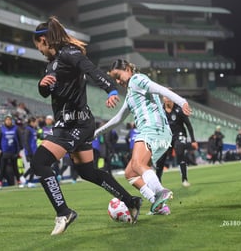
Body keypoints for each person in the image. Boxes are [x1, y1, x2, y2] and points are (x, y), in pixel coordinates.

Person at [31, 16, 142, 235]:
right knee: (88, 172)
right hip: (71, 124)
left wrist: (110, 89)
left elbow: (91, 70)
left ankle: (63, 212)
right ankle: (131, 201)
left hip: (76, 123)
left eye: (37, 44)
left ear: (43, 40)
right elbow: (47, 92)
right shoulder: (51, 65)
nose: (38, 49)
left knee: (40, 163)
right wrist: (41, 86)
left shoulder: (69, 54)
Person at [95, 59, 192, 216]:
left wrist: (182, 102)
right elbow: (118, 119)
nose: (118, 81)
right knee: (130, 173)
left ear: (127, 69)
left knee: (138, 163)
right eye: (115, 80)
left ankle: (160, 191)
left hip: (152, 129)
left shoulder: (137, 80)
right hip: (157, 133)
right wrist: (96, 133)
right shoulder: (131, 93)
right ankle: (158, 205)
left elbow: (161, 89)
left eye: (119, 76)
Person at [156, 94, 198, 187]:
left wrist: (193, 140)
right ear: (163, 99)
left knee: (180, 151)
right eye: (165, 97)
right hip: (166, 137)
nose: (167, 99)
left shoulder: (179, 110)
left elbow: (188, 125)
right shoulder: (160, 110)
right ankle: (157, 182)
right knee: (161, 158)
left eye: (169, 97)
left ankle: (184, 179)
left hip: (179, 135)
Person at [0, 114, 22, 189]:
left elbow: (19, 140)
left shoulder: (16, 128)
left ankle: (19, 181)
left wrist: (19, 150)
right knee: (2, 168)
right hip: (4, 151)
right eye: (7, 120)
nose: (8, 121)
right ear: (4, 121)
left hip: (13, 151)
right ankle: (0, 182)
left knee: (15, 167)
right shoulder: (1, 129)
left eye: (9, 120)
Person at [20, 117, 38, 188]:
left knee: (34, 166)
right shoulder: (28, 130)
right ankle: (25, 178)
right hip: (30, 151)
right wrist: (29, 151)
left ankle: (27, 180)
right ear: (31, 122)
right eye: (35, 122)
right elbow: (26, 141)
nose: (36, 123)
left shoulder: (33, 129)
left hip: (34, 151)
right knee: (34, 166)